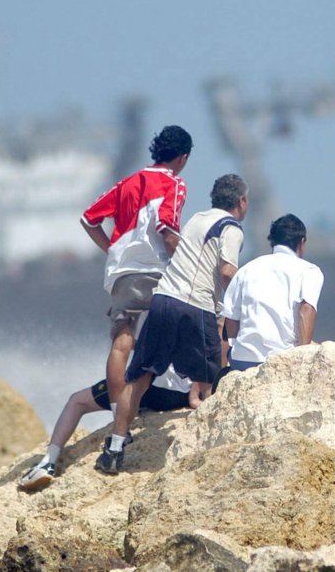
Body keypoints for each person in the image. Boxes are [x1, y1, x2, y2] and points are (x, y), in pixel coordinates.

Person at [95, 174, 248, 474]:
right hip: (196, 306)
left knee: (139, 376)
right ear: (241, 202)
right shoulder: (232, 228)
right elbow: (228, 272)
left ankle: (114, 448)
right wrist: (239, 302)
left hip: (164, 299)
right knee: (211, 379)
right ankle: (211, 450)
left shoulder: (195, 219)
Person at [80, 126, 192, 420]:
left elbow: (89, 219)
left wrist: (112, 251)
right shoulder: (175, 184)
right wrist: (188, 265)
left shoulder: (126, 183)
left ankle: (119, 413)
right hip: (155, 270)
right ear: (182, 157)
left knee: (122, 343)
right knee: (170, 335)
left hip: (121, 272)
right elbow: (167, 230)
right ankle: (169, 398)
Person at [17, 363, 192, 491]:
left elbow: (123, 351)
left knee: (77, 400)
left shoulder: (139, 312)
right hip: (188, 393)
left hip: (154, 388)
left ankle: (48, 462)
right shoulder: (210, 316)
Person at [221, 214, 324, 372]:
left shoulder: (246, 269)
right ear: (302, 242)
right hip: (282, 362)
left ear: (272, 241)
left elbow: (231, 319)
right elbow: (306, 310)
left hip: (243, 361)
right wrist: (303, 359)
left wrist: (236, 347)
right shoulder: (309, 271)